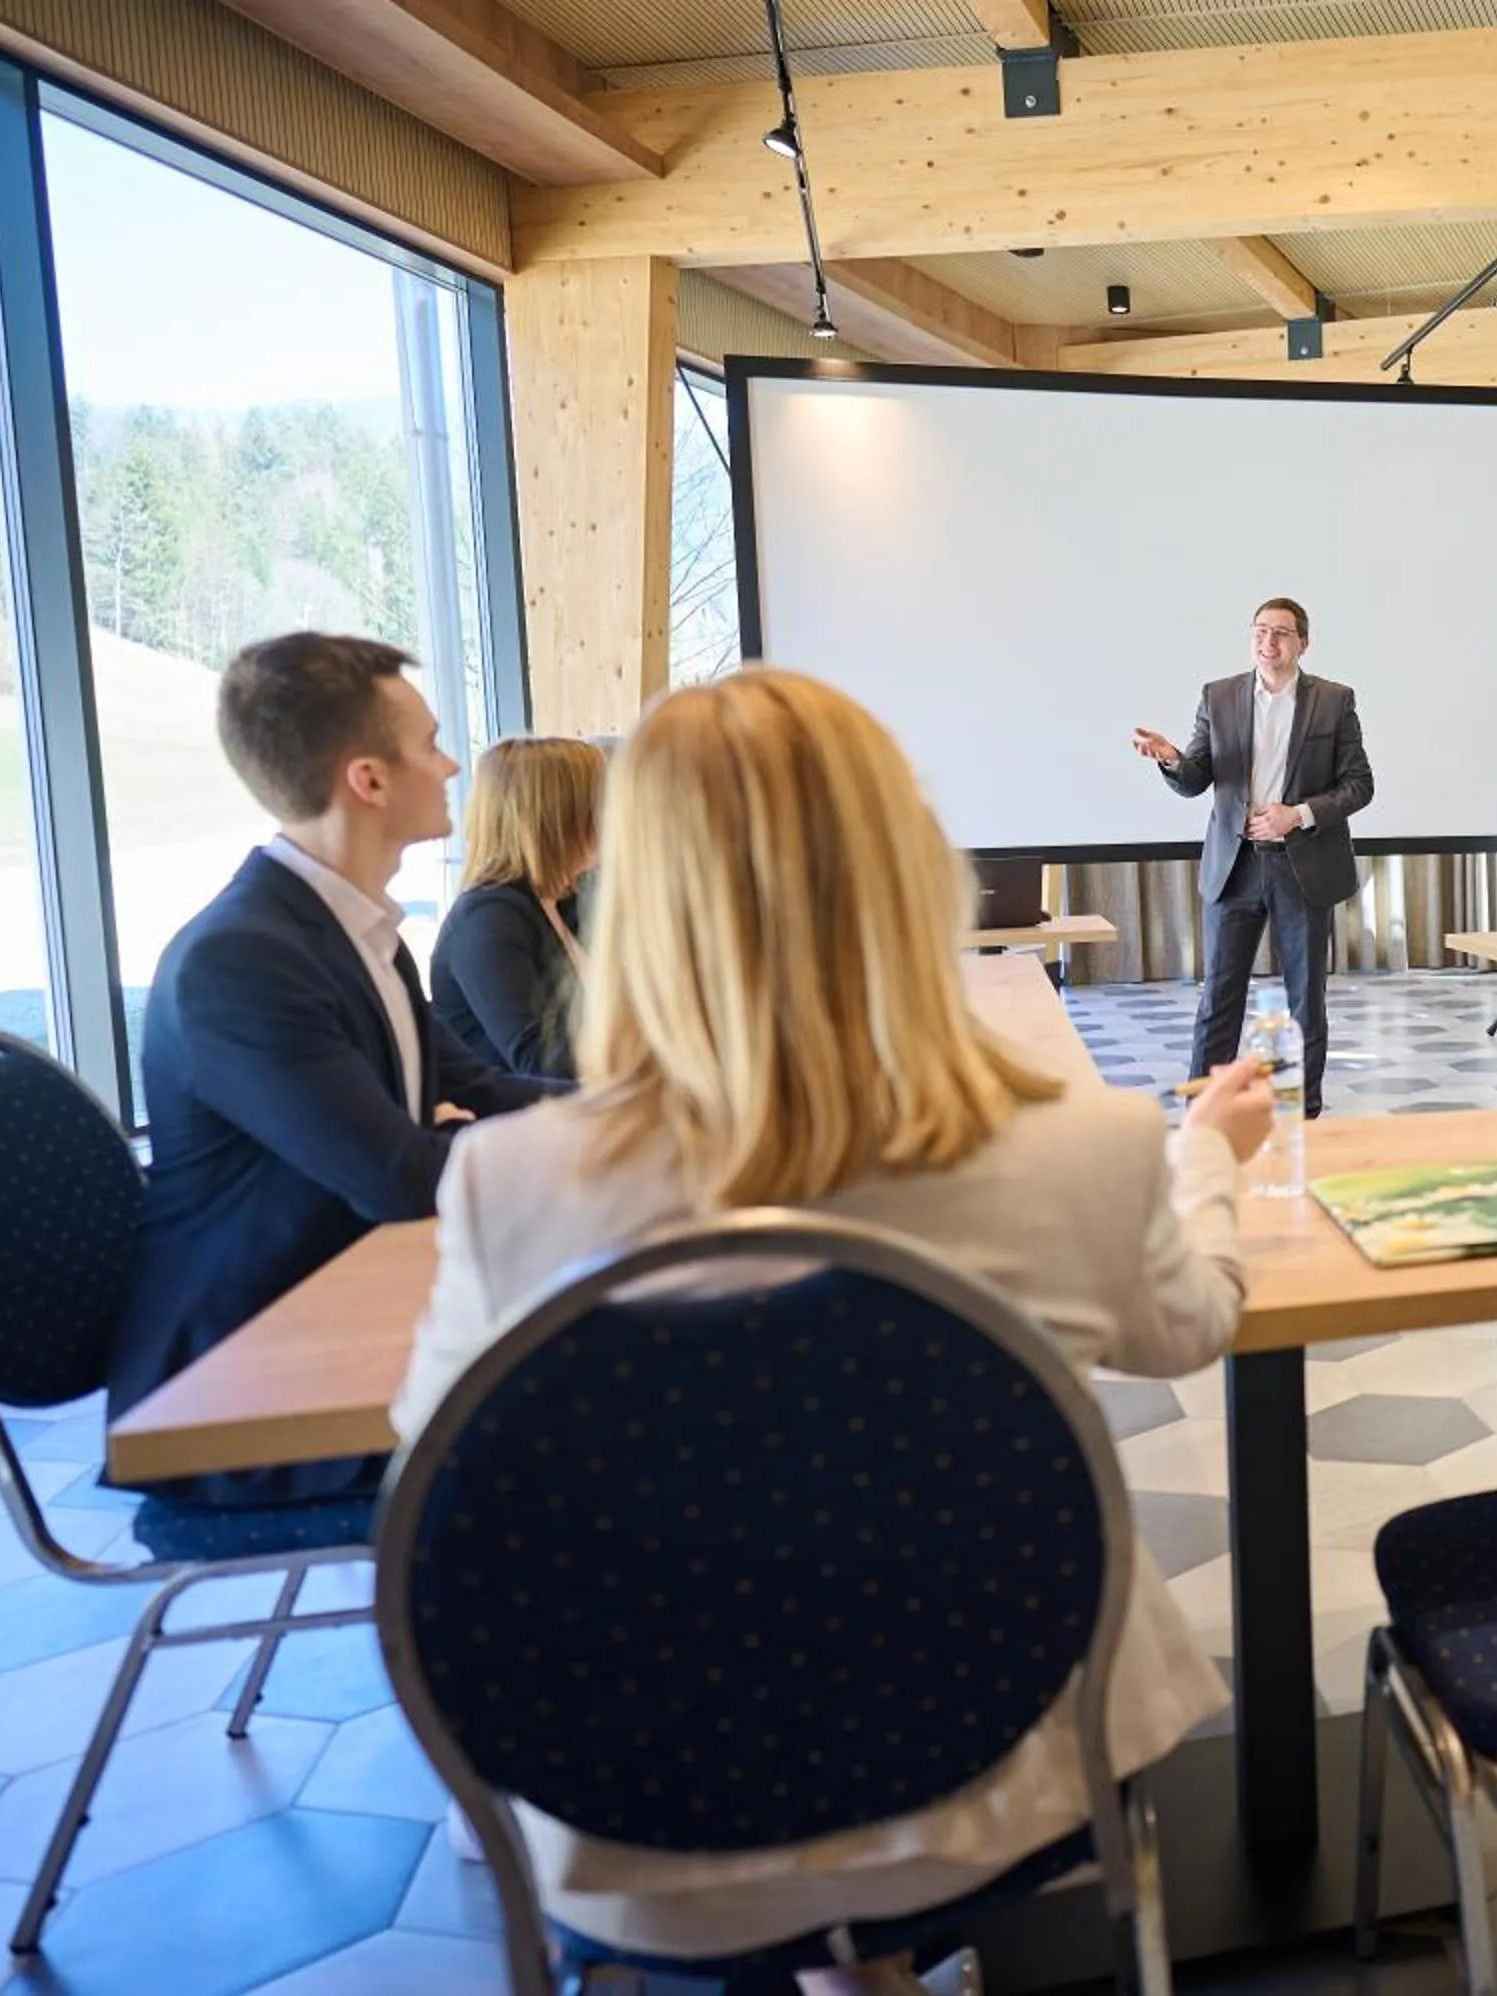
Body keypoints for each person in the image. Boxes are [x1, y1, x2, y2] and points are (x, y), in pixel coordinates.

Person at [392, 668, 1277, 1990]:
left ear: (638, 893)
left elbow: (439, 1501)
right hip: (1007, 1759)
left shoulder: (508, 1184)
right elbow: (1189, 1328)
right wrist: (1204, 1154)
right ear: (910, 867)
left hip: (652, 1805)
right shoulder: (1080, 1147)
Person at [107, 633, 557, 1508]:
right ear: (369, 780)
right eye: (431, 744)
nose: (452, 766)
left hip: (337, 1313)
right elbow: (400, 1176)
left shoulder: (356, 932)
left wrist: (655, 1111)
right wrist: (614, 1149)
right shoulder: (239, 960)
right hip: (237, 1388)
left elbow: (479, 1090)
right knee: (599, 1408)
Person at [1131, 596, 1374, 1116]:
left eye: (1281, 633)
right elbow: (1197, 779)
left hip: (1303, 867)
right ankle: (1205, 1112)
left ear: (1303, 643)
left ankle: (1302, 1113)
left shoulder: (1333, 701)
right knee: (1218, 997)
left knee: (1305, 1001)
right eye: (1261, 631)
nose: (1269, 641)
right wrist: (1172, 759)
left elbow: (1359, 785)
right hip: (1235, 867)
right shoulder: (1218, 696)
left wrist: (1298, 814)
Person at [431, 735, 605, 1080]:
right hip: (522, 1108)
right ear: (559, 818)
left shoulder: (566, 898)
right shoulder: (487, 919)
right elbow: (539, 1060)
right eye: (599, 802)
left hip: (580, 1101)